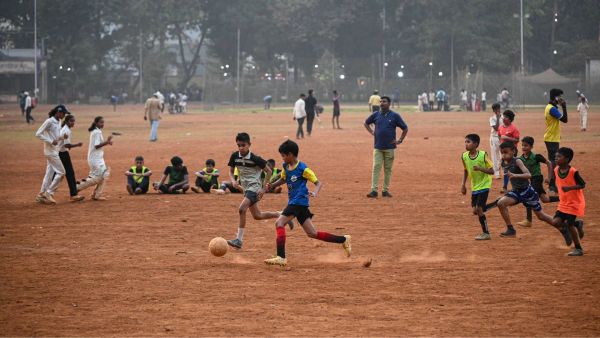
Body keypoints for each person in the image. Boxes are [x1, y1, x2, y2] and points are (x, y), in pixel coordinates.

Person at [263, 140, 351, 266]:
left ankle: (281, 257)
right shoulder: (285, 167)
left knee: (279, 222)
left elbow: (318, 183)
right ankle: (343, 239)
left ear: (291, 154)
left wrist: (315, 192)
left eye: (283, 155)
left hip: (298, 201)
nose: (282, 158)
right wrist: (272, 185)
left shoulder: (303, 168)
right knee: (312, 233)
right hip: (297, 203)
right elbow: (283, 179)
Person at [226, 132, 293, 249]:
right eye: (238, 145)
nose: (241, 148)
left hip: (255, 188)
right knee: (257, 216)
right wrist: (233, 180)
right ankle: (280, 214)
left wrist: (263, 188)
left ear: (249, 144)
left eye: (243, 145)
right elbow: (231, 171)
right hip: (247, 189)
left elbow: (269, 171)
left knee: (242, 209)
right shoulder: (235, 156)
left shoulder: (255, 159)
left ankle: (239, 240)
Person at [494, 142, 571, 241]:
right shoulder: (503, 161)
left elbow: (528, 175)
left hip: (527, 192)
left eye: (506, 152)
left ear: (513, 151)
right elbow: (502, 171)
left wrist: (515, 175)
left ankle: (563, 227)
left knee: (541, 216)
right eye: (502, 153)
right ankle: (511, 229)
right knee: (501, 203)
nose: (503, 155)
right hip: (517, 192)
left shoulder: (518, 161)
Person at [364, 96, 408, 198]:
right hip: (378, 147)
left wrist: (400, 140)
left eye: (384, 102)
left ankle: (385, 190)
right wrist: (371, 131)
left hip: (390, 148)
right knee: (376, 168)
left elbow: (405, 128)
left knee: (387, 170)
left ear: (389, 103)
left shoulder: (395, 116)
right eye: (381, 102)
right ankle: (374, 190)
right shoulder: (376, 114)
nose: (382, 103)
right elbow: (366, 123)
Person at [516, 136, 559, 227]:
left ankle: (528, 220)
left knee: (528, 195)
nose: (524, 147)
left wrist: (549, 177)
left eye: (526, 146)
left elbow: (549, 163)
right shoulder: (521, 159)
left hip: (537, 179)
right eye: (522, 145)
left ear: (531, 147)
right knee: (545, 199)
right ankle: (564, 198)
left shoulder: (536, 156)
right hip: (531, 180)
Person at [553, 147, 586, 256]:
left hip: (574, 202)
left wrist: (569, 188)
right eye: (556, 156)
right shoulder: (556, 170)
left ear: (566, 159)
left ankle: (578, 248)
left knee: (569, 224)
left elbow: (582, 184)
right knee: (556, 222)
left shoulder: (573, 171)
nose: (556, 158)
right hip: (564, 202)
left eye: (559, 157)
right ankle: (578, 224)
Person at [461, 134, 494, 240]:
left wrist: (480, 168)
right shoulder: (464, 156)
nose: (466, 144)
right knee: (475, 211)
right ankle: (495, 204)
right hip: (474, 187)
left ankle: (486, 233)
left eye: (468, 142)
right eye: (465, 142)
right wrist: (463, 185)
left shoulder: (483, 155)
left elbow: (492, 171)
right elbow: (466, 170)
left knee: (479, 209)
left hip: (484, 184)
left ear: (475, 144)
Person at [35, 106, 68, 204]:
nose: (64, 115)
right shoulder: (49, 121)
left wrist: (62, 137)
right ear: (58, 112)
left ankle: (41, 194)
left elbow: (55, 137)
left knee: (49, 174)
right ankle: (49, 193)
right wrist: (50, 141)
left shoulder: (58, 122)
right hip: (50, 152)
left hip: (54, 150)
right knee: (62, 173)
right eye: (63, 113)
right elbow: (38, 134)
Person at [76, 116, 112, 201]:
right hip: (95, 159)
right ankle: (77, 187)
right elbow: (96, 146)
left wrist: (106, 142)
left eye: (103, 122)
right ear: (96, 123)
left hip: (98, 158)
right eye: (100, 122)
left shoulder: (97, 131)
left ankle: (96, 195)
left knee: (104, 174)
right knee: (98, 177)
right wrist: (107, 142)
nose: (102, 124)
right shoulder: (96, 132)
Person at [58, 110, 85, 202]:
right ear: (66, 121)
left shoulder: (66, 129)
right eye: (71, 121)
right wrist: (77, 145)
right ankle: (73, 194)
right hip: (62, 153)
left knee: (59, 174)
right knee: (69, 173)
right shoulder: (66, 130)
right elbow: (66, 145)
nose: (73, 123)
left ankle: (46, 192)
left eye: (74, 121)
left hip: (61, 153)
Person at [544, 88, 568, 192]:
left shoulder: (551, 107)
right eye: (560, 96)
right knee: (555, 162)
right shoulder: (552, 109)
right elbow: (565, 120)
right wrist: (564, 106)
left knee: (553, 161)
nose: (561, 98)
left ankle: (552, 185)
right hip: (551, 139)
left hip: (552, 138)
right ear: (556, 97)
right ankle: (552, 186)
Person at [498, 110, 520, 192]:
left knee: (513, 169)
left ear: (510, 119)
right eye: (503, 116)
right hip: (504, 152)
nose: (503, 118)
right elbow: (499, 136)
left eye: (506, 117)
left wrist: (507, 138)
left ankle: (516, 186)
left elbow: (517, 140)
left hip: (512, 152)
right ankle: (504, 187)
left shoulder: (513, 129)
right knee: (505, 169)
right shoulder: (500, 127)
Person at [489, 103, 502, 179]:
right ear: (494, 110)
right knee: (494, 156)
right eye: (496, 109)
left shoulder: (503, 117)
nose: (498, 110)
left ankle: (498, 168)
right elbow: (496, 128)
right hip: (494, 138)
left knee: (502, 156)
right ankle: (496, 173)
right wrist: (497, 118)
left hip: (501, 138)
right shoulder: (492, 118)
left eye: (499, 109)